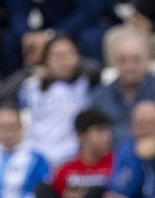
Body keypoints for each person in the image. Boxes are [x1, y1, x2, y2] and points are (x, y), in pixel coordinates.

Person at [33, 108, 114, 198]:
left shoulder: (115, 164)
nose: (106, 137)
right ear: (81, 135)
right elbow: (56, 193)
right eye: (99, 131)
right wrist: (65, 196)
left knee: (95, 194)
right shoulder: (66, 168)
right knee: (43, 188)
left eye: (107, 131)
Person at [88, 27, 155, 143]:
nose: (130, 66)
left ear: (147, 60)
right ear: (113, 62)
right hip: (114, 158)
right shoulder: (100, 96)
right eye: (123, 60)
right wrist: (138, 140)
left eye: (136, 60)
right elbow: (92, 133)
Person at [15, 35, 95, 169]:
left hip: (71, 160)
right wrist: (30, 70)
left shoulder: (86, 83)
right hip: (35, 161)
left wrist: (75, 65)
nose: (64, 61)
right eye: (57, 56)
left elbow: (98, 66)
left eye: (69, 55)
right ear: (45, 60)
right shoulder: (32, 87)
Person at [2, 0, 113, 74]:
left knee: (90, 38)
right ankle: (16, 94)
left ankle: (94, 83)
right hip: (43, 25)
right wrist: (27, 36)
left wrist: (50, 35)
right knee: (10, 40)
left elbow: (88, 11)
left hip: (78, 24)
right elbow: (17, 10)